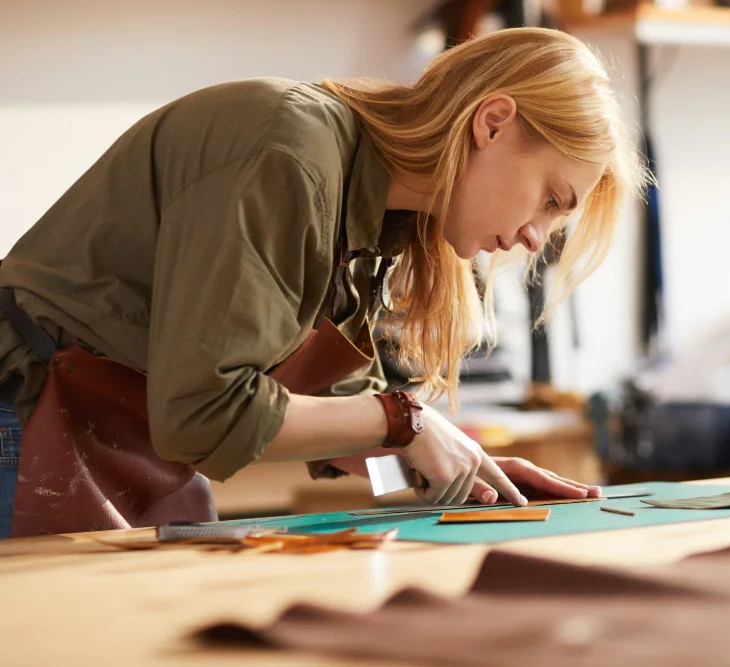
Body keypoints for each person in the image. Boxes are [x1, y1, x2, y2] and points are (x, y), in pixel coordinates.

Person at [0, 26, 648, 539]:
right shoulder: (290, 155)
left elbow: (345, 430)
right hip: (23, 406)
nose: (537, 237)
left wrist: (454, 477)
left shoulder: (380, 216)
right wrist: (407, 420)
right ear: (493, 121)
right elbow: (203, 413)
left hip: (106, 431)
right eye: (550, 198)